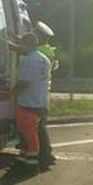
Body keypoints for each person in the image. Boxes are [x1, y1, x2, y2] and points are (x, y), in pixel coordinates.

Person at [10, 33, 51, 172]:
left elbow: (24, 83)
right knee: (36, 134)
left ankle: (31, 165)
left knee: (27, 136)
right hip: (40, 102)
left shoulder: (29, 61)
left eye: (22, 44)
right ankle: (32, 160)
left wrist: (12, 94)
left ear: (27, 45)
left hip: (28, 103)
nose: (21, 47)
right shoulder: (43, 59)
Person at [34, 23, 59, 167]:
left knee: (38, 127)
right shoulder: (48, 50)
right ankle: (45, 154)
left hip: (37, 96)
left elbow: (25, 49)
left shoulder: (41, 51)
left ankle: (45, 155)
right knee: (40, 126)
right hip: (42, 95)